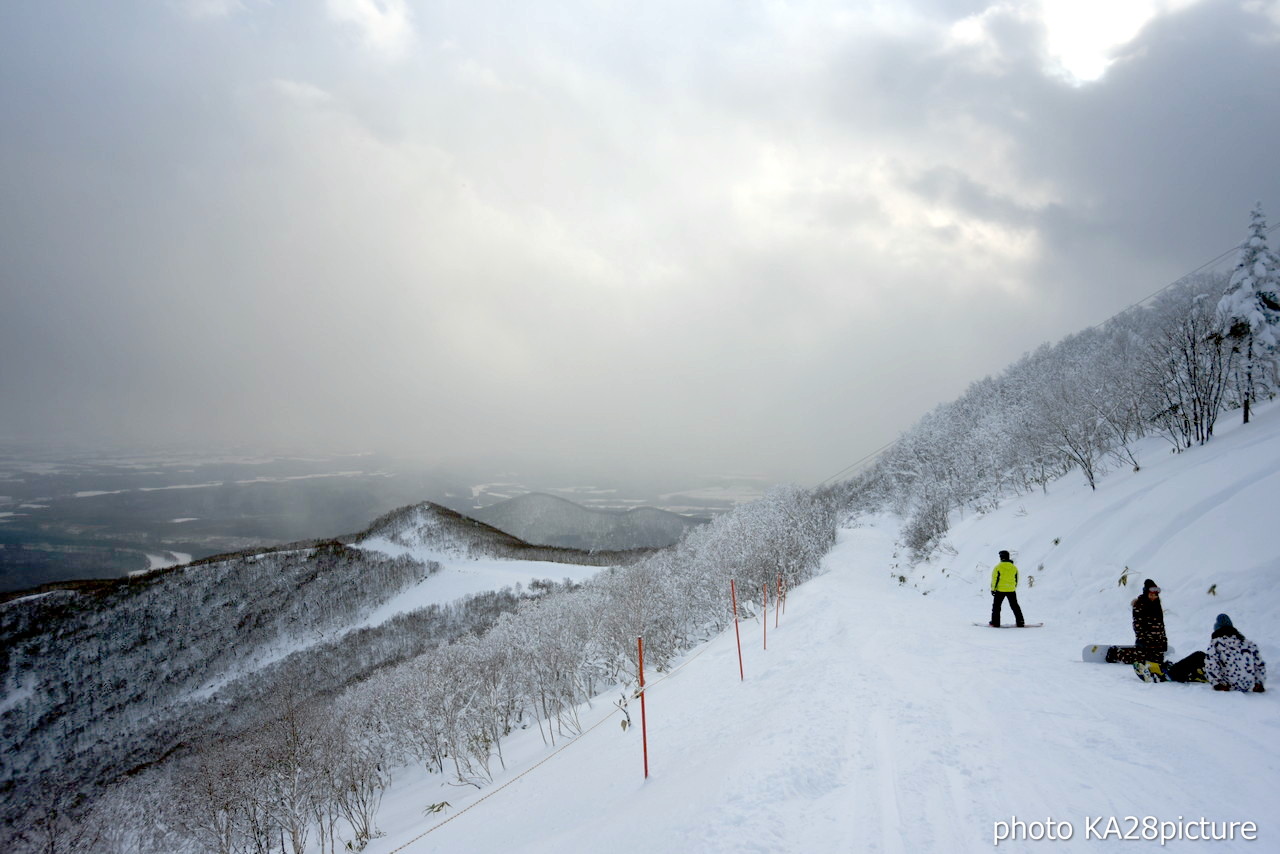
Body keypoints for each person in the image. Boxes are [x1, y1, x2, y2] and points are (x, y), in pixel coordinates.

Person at [1110, 579, 1167, 669]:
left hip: (1157, 641)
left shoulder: (1157, 604)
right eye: (1151, 595)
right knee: (1140, 660)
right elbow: (1137, 624)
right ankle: (1115, 653)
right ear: (1146, 593)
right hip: (1145, 639)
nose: (1153, 597)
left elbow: (1161, 624)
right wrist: (1141, 639)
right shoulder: (1139, 604)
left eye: (1155, 595)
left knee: (1158, 662)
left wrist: (1164, 640)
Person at [1205, 614, 1266, 693]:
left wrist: (1217, 684)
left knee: (1198, 656)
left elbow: (1211, 664)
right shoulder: (1248, 643)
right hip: (1247, 685)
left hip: (1228, 685)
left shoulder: (1216, 643)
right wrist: (1259, 683)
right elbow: (1259, 664)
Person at [989, 550, 1024, 628]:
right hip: (1011, 590)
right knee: (1015, 606)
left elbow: (995, 579)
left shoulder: (998, 567)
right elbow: (1016, 579)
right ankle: (1020, 622)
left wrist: (993, 589)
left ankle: (995, 622)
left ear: (1001, 557)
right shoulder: (1014, 567)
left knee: (996, 607)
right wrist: (1013, 587)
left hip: (1000, 590)